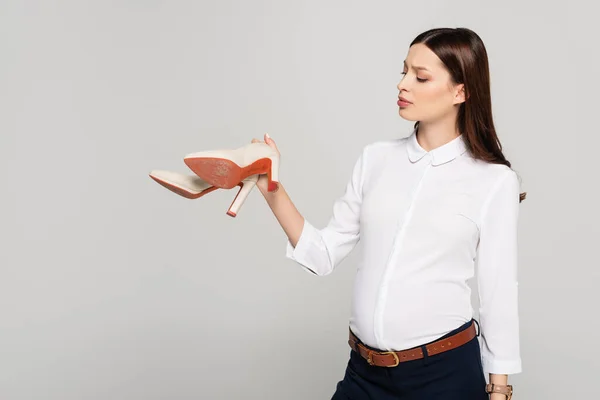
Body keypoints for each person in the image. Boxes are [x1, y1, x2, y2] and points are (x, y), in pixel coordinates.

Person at [251, 27, 525, 400]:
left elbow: (498, 293)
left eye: (420, 76)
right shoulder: (375, 159)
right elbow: (322, 254)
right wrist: (272, 187)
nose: (403, 84)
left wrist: (499, 389)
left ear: (461, 91)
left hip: (442, 379)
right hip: (364, 375)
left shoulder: (494, 181)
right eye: (404, 71)